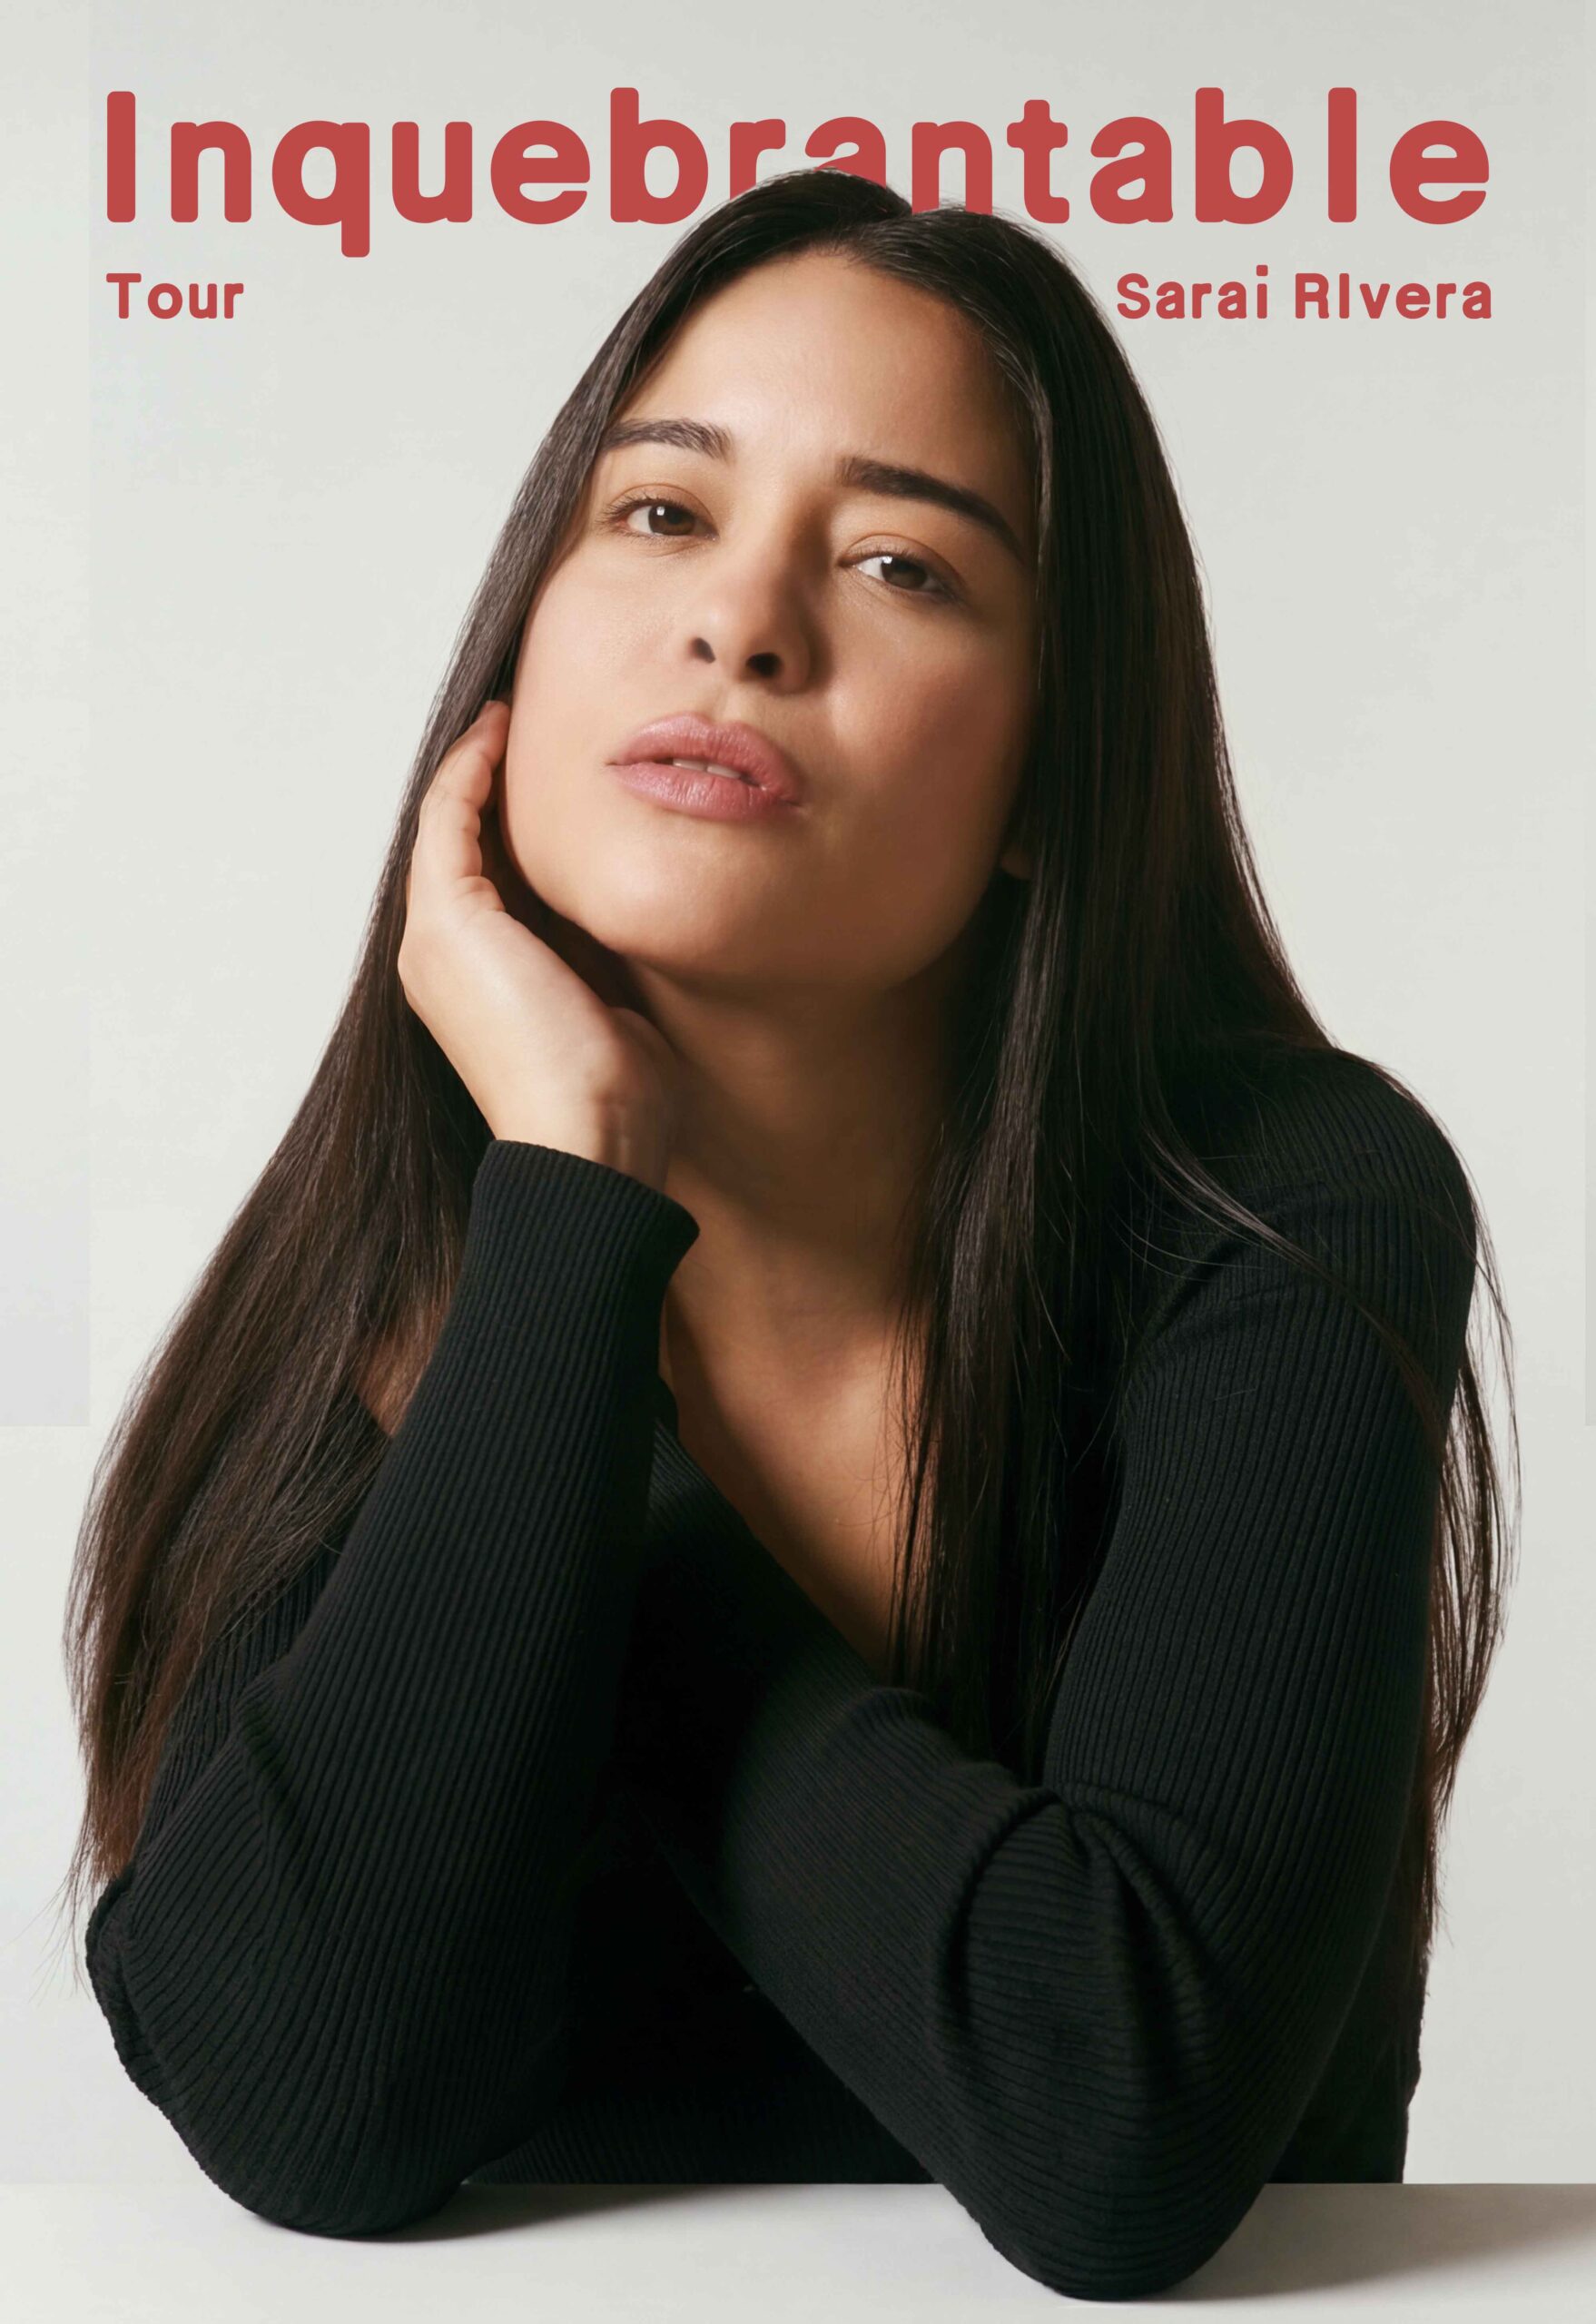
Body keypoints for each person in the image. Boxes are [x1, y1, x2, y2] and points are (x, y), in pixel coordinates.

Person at [61, 169, 1516, 2301]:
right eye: (661, 511)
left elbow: (1122, 2125)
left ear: (1050, 772)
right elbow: (312, 2104)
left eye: (903, 562)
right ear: (519, 650)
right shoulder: (398, 1265)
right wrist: (568, 1202)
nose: (743, 624)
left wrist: (624, 1487)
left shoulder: (1278, 1207)